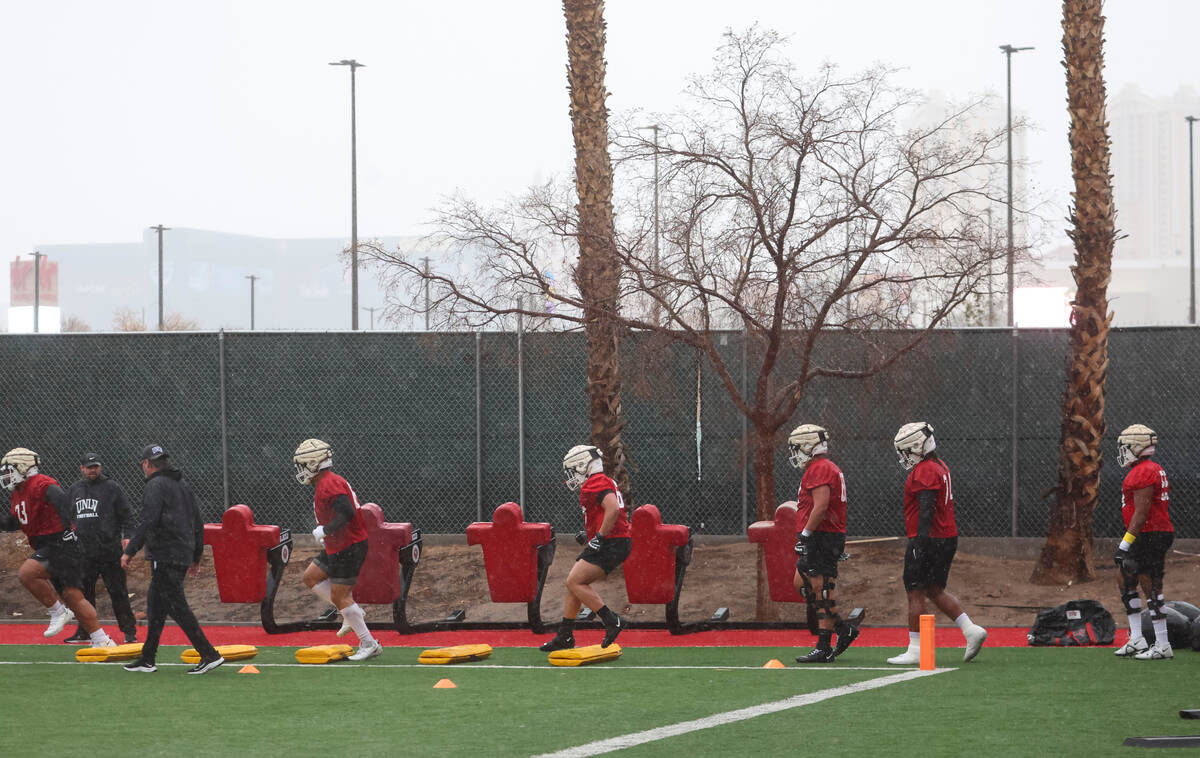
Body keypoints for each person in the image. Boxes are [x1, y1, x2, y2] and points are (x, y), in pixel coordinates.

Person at [886, 423, 987, 665]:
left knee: (915, 593)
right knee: (934, 590)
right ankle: (970, 629)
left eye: (906, 451)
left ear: (917, 447)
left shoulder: (925, 471)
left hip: (929, 539)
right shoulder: (939, 466)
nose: (904, 457)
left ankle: (916, 649)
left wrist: (919, 542)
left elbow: (927, 509)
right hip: (945, 537)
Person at [120, 444, 223, 674]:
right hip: (181, 551)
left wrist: (130, 550)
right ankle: (147, 658)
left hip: (165, 552)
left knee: (177, 606)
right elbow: (197, 520)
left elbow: (148, 520)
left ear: (147, 464)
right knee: (156, 605)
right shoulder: (182, 484)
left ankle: (209, 653)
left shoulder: (155, 486)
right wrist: (196, 554)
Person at [0, 447, 116, 647]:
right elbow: (14, 523)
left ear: (23, 467)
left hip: (60, 542)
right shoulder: (18, 494)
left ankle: (57, 611)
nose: (7, 475)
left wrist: (68, 528)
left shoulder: (41, 484)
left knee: (27, 573)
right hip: (49, 544)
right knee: (73, 596)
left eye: (10, 469)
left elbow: (64, 502)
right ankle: (102, 639)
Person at [292, 438, 381, 661]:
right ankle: (352, 612)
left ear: (313, 464)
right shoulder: (327, 482)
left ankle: (369, 642)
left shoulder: (329, 484)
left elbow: (347, 512)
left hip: (348, 546)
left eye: (303, 465)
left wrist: (326, 530)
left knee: (339, 595)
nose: (301, 471)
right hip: (339, 544)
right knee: (311, 577)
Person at [538, 445, 631, 653]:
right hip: (617, 541)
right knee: (574, 583)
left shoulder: (595, 482)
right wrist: (591, 534)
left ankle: (611, 620)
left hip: (611, 542)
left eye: (572, 471)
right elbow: (608, 512)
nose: (571, 477)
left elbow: (613, 509)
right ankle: (565, 636)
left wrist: (599, 537)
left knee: (574, 581)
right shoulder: (604, 480)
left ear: (582, 466)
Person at [788, 424, 859, 663]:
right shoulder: (821, 467)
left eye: (798, 448)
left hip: (822, 536)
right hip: (822, 536)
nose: (795, 453)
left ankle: (823, 646)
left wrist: (806, 534)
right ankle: (842, 629)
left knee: (822, 590)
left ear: (808, 446)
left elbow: (821, 506)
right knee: (803, 582)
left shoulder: (820, 468)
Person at [1112, 424, 1176, 660]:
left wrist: (1126, 542)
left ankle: (1162, 643)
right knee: (1125, 577)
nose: (1122, 451)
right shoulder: (1145, 469)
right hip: (1146, 533)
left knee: (1150, 585)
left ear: (1136, 447)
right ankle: (1137, 638)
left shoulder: (1143, 471)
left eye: (1125, 447)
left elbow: (1141, 512)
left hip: (1150, 534)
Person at [63, 452, 138, 644]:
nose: (92, 470)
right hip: (84, 553)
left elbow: (127, 515)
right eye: (89, 467)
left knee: (118, 592)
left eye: (95, 466)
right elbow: (66, 518)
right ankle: (85, 631)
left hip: (109, 551)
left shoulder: (111, 488)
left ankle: (129, 632)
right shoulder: (75, 490)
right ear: (82, 468)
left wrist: (128, 537)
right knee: (83, 594)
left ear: (100, 467)